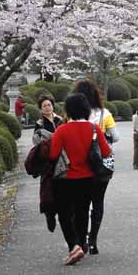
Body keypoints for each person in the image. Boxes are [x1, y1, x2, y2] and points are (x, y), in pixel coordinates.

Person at [49, 92, 111, 265]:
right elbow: (106, 152)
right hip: (88, 178)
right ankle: (82, 244)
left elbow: (53, 155)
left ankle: (73, 245)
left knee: (64, 213)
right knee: (82, 211)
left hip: (66, 178)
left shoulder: (62, 130)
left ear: (68, 110)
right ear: (85, 109)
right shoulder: (94, 129)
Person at [72, 79, 118, 254]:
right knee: (98, 201)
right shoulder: (104, 113)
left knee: (80, 203)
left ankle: (80, 240)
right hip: (100, 165)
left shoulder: (72, 114)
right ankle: (93, 241)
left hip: (78, 165)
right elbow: (116, 136)